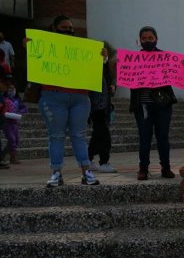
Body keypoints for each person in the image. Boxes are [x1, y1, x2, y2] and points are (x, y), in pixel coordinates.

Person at [34, 15, 104, 187]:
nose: (69, 31)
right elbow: (35, 59)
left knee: (79, 135)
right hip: (53, 96)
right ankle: (56, 173)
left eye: (70, 28)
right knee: (56, 135)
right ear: (54, 28)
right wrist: (29, 47)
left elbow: (94, 69)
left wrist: (102, 57)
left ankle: (86, 171)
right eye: (64, 27)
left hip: (80, 97)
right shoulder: (44, 46)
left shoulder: (81, 48)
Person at [130, 26, 184, 180]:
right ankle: (143, 168)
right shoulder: (132, 60)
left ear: (156, 39)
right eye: (144, 39)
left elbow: (179, 74)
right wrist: (114, 62)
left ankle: (166, 167)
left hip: (162, 105)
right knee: (144, 137)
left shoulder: (166, 58)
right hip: (142, 105)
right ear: (140, 40)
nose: (147, 41)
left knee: (162, 137)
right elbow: (119, 73)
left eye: (150, 38)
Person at [88, 48, 116, 173]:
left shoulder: (106, 67)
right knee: (104, 134)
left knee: (98, 134)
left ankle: (88, 159)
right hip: (95, 105)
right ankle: (104, 161)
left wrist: (113, 87)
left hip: (104, 105)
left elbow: (110, 81)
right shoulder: (90, 69)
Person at [1, 83, 27, 164]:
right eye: (10, 89)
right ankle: (13, 158)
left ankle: (2, 155)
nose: (11, 91)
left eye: (13, 89)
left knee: (16, 140)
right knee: (12, 139)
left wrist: (20, 112)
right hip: (6, 122)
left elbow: (24, 108)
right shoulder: (3, 99)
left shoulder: (17, 100)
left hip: (15, 122)